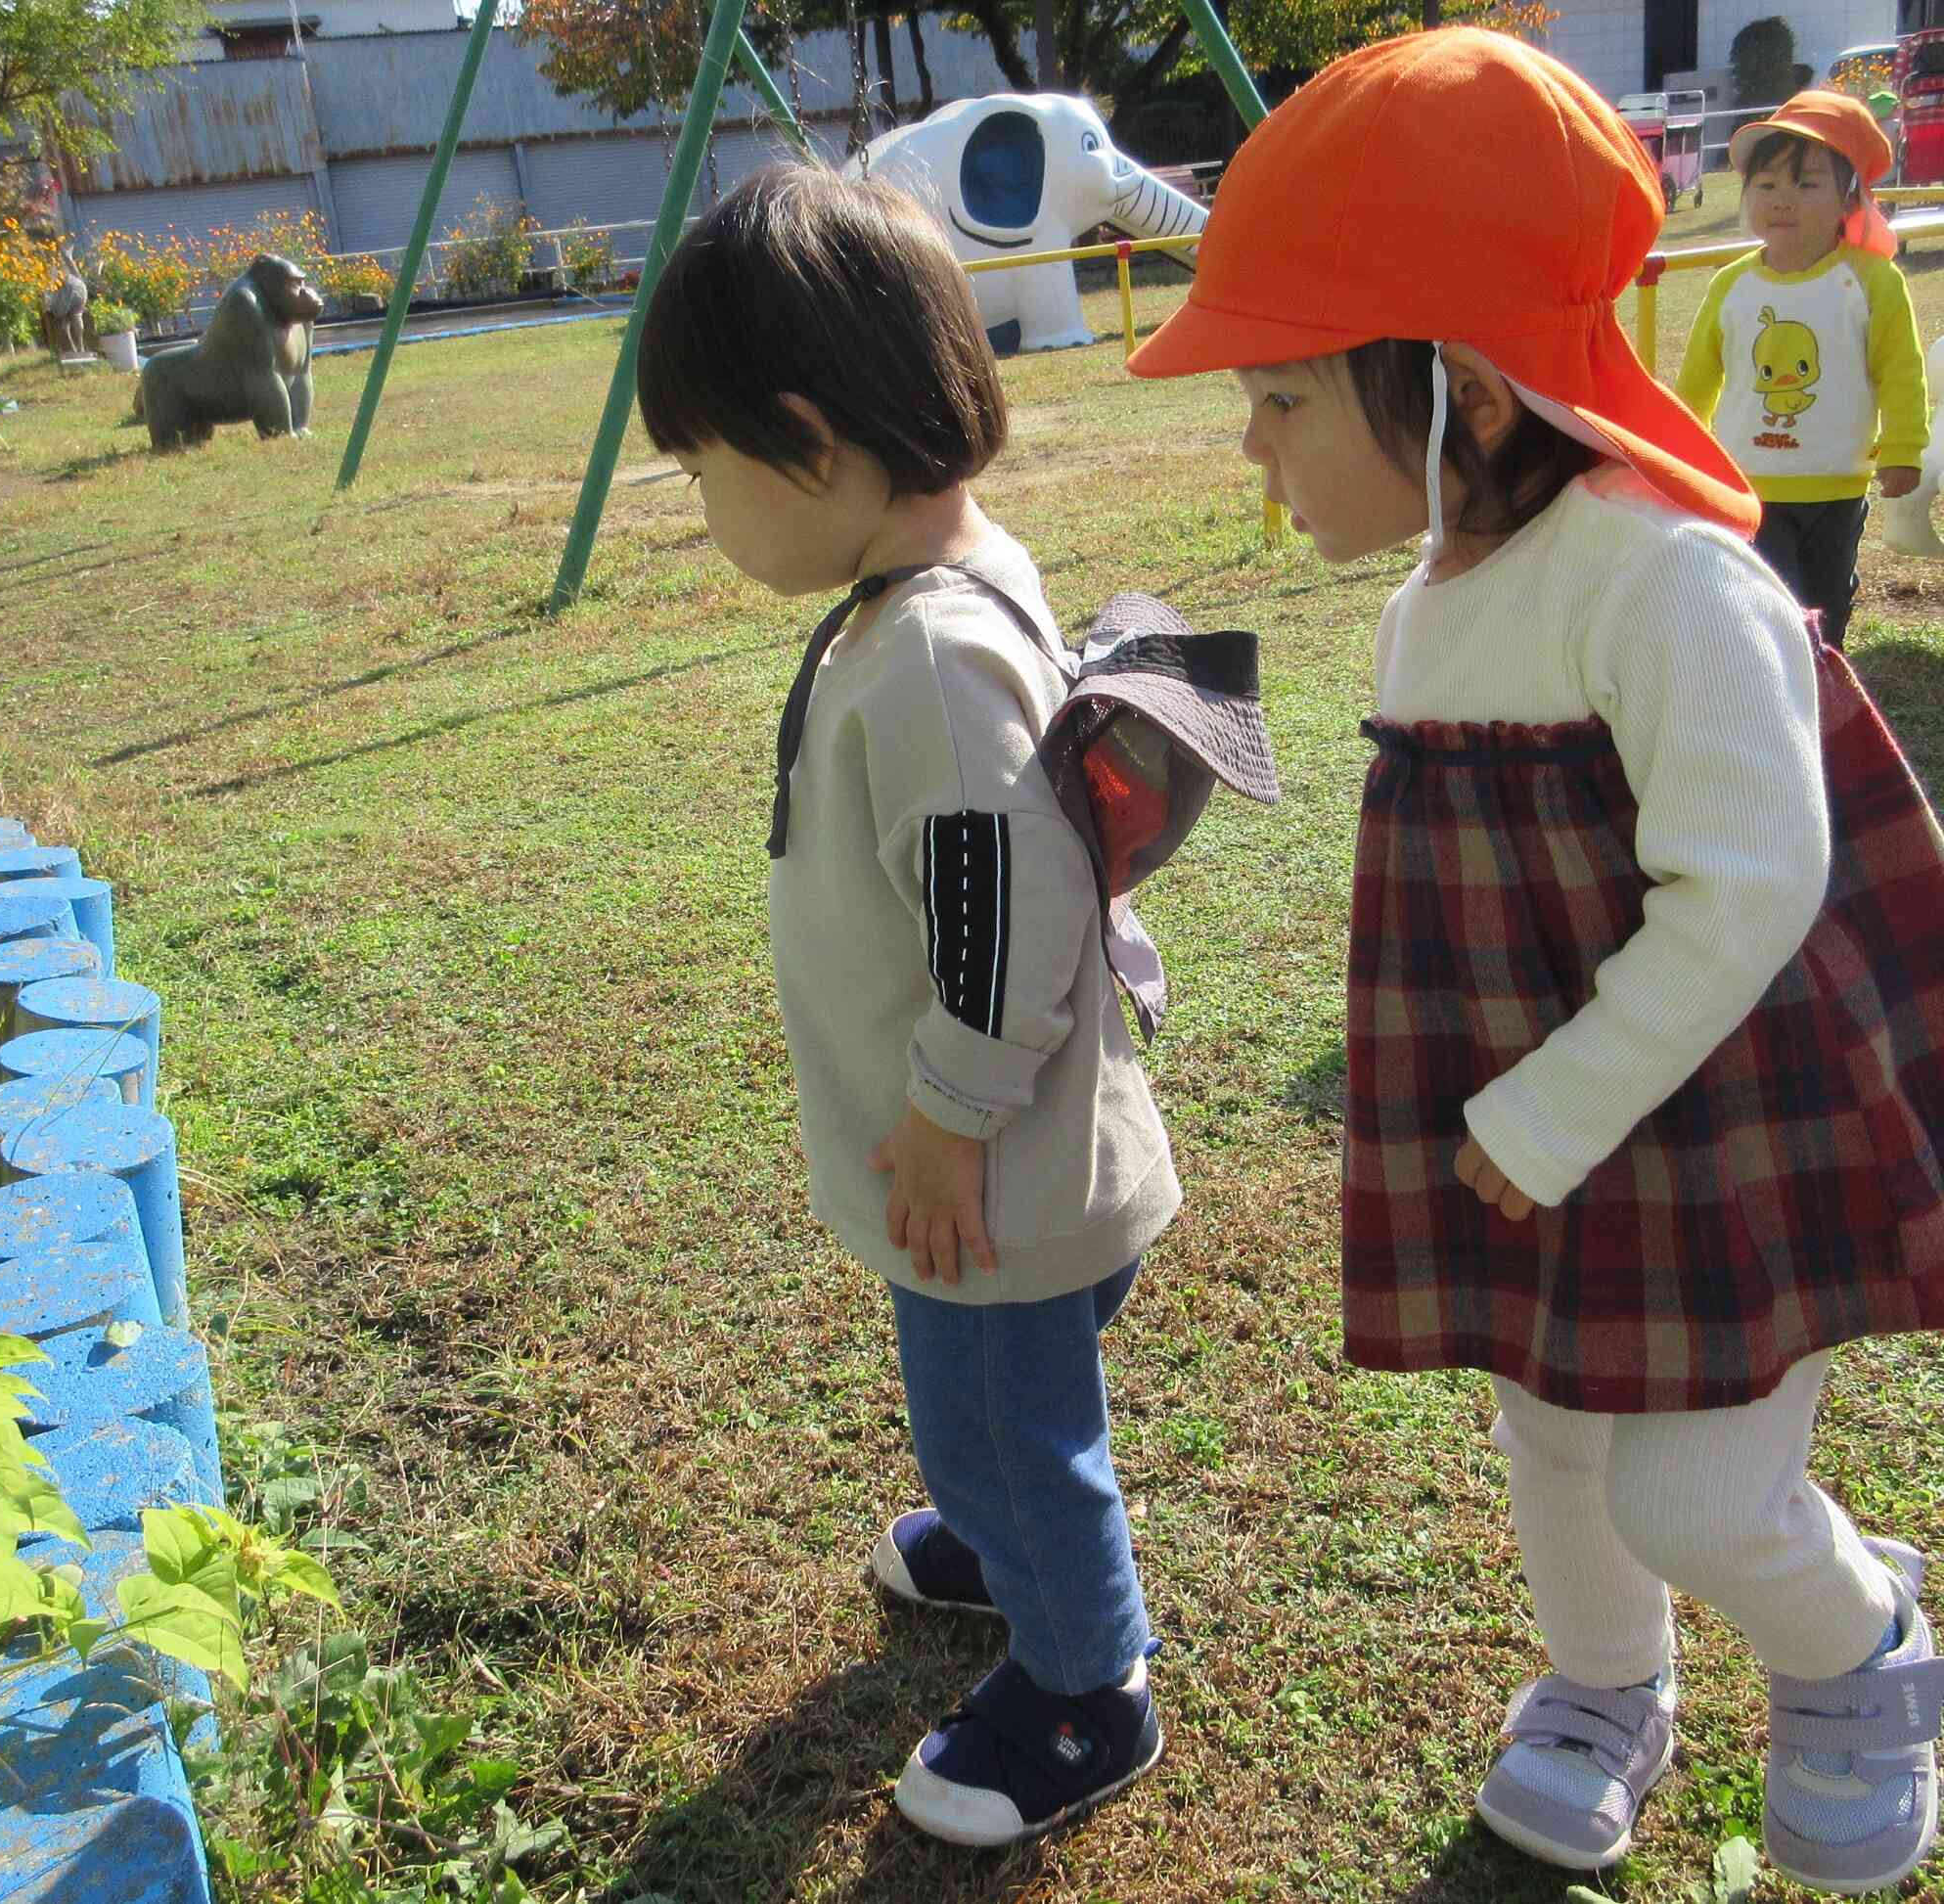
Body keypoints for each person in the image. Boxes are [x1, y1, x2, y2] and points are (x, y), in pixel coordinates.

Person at [1126, 29, 1944, 1892]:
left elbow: (1747, 885)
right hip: (1537, 1116)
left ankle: (1856, 1654)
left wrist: (1552, 1102)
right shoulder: (1432, 603)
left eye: (1277, 397)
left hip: (1707, 1109)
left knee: (1686, 1480)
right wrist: (1507, 1108)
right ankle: (1602, 1683)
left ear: (1470, 395)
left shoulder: (1664, 582)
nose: (1248, 443)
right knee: (1551, 1426)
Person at [636, 164, 1175, 1846]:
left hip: (985, 1167)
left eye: (703, 472)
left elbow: (1004, 918)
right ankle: (994, 1524)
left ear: (808, 442)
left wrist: (941, 1125)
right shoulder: (922, 587)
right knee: (992, 1408)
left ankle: (1087, 1685)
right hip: (984, 1154)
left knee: (1004, 1410)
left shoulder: (934, 656)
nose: (706, 509)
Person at [1675, 91, 1926, 648]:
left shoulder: (1872, 282)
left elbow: (1900, 372)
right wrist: (1680, 454)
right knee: (1772, 595)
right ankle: (1773, 681)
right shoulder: (1732, 285)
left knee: (1828, 597)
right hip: (1750, 478)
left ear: (1848, 199)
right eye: (1766, 185)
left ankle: (1825, 684)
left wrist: (1905, 449)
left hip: (1838, 479)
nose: (1783, 200)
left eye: (1807, 184)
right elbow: (1697, 379)